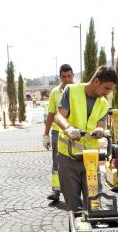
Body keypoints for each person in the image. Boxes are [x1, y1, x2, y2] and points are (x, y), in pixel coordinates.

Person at [55, 65, 118, 212]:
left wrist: (100, 130)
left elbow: (101, 124)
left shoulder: (103, 103)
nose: (107, 93)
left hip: (90, 159)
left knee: (94, 204)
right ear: (96, 81)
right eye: (107, 88)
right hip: (69, 156)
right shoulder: (71, 91)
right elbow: (59, 116)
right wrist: (69, 129)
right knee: (74, 206)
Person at [43, 64, 74, 203]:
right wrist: (46, 134)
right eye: (64, 76)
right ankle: (56, 191)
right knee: (57, 162)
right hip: (57, 132)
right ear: (60, 77)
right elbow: (51, 114)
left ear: (73, 75)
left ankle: (75, 191)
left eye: (69, 76)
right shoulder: (55, 92)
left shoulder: (79, 90)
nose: (67, 79)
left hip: (74, 132)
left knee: (75, 161)